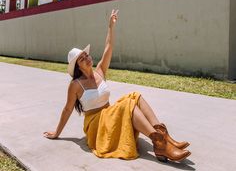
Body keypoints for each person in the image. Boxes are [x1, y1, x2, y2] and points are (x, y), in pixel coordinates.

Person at [44, 10, 191, 162]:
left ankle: (164, 136)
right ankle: (160, 144)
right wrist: (57, 133)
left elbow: (109, 46)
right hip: (97, 125)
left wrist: (110, 27)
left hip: (110, 115)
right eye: (82, 59)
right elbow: (67, 109)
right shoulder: (75, 85)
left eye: (86, 55)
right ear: (78, 67)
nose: (87, 58)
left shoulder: (100, 71)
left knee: (135, 95)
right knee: (127, 104)